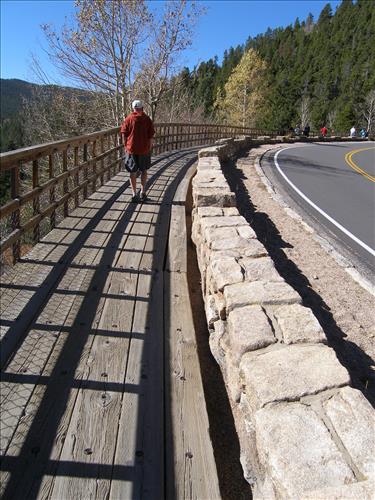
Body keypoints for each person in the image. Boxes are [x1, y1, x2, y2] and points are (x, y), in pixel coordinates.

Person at [120, 99, 155, 202]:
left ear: (133, 108)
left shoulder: (128, 119)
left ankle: (134, 194)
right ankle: (143, 193)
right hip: (144, 149)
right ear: (142, 108)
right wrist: (150, 146)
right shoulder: (147, 119)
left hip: (131, 149)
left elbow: (124, 134)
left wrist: (125, 146)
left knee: (132, 172)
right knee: (144, 171)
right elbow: (151, 135)